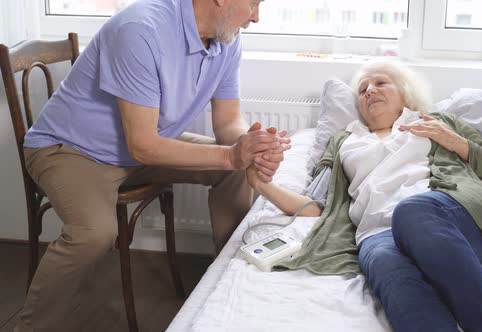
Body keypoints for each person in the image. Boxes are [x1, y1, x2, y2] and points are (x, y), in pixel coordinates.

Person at [17, 0, 289, 330]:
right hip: (70, 150)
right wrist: (232, 154)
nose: (257, 17)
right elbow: (144, 146)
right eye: (254, 3)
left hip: (141, 147)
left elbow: (229, 122)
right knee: (94, 234)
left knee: (235, 172)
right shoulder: (140, 29)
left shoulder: (227, 39)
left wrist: (252, 146)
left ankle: (229, 284)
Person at [246, 60, 482, 332]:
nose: (369, 90)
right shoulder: (344, 140)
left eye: (381, 83)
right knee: (385, 267)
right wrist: (262, 185)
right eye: (363, 89)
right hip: (378, 234)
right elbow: (316, 206)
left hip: (443, 216)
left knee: (412, 211)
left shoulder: (437, 122)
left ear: (405, 93)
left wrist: (455, 141)